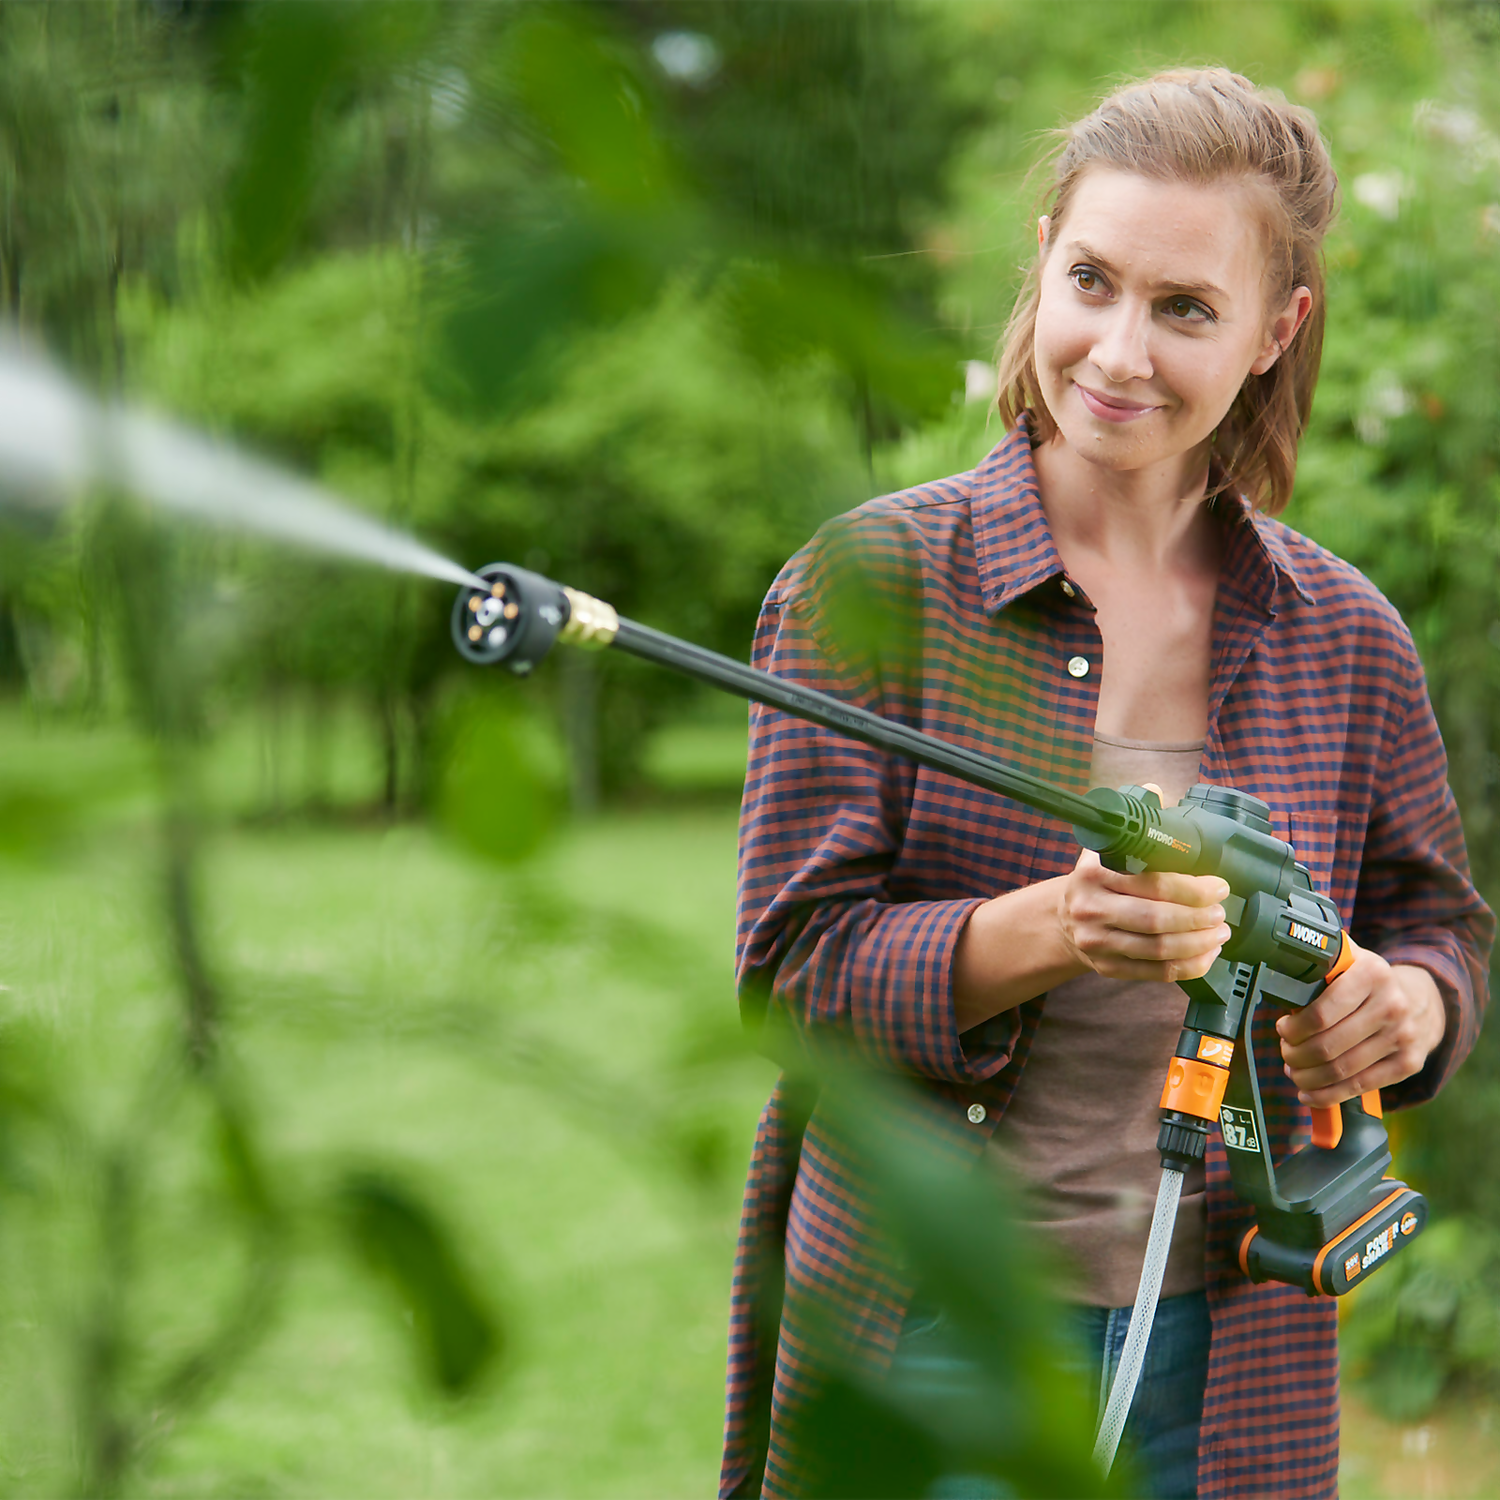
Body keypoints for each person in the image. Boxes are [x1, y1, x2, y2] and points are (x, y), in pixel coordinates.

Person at [719, 68, 1493, 1500]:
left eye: (1186, 308)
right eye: (1094, 280)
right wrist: (1048, 932)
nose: (1119, 351)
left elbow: (1439, 921)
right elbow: (790, 970)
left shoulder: (1344, 634)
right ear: (1042, 264)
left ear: (1278, 330)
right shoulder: (872, 586)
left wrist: (1416, 1003)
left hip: (1235, 1351)